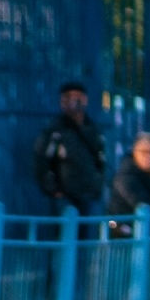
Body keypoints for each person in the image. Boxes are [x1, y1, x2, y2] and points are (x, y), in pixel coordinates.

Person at [33, 81, 107, 216]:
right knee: (66, 226)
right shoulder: (55, 131)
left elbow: (100, 160)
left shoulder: (93, 130)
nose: (73, 102)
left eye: (78, 97)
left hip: (89, 195)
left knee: (87, 227)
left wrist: (97, 188)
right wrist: (54, 190)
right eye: (68, 97)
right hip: (64, 197)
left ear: (85, 100)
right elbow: (42, 161)